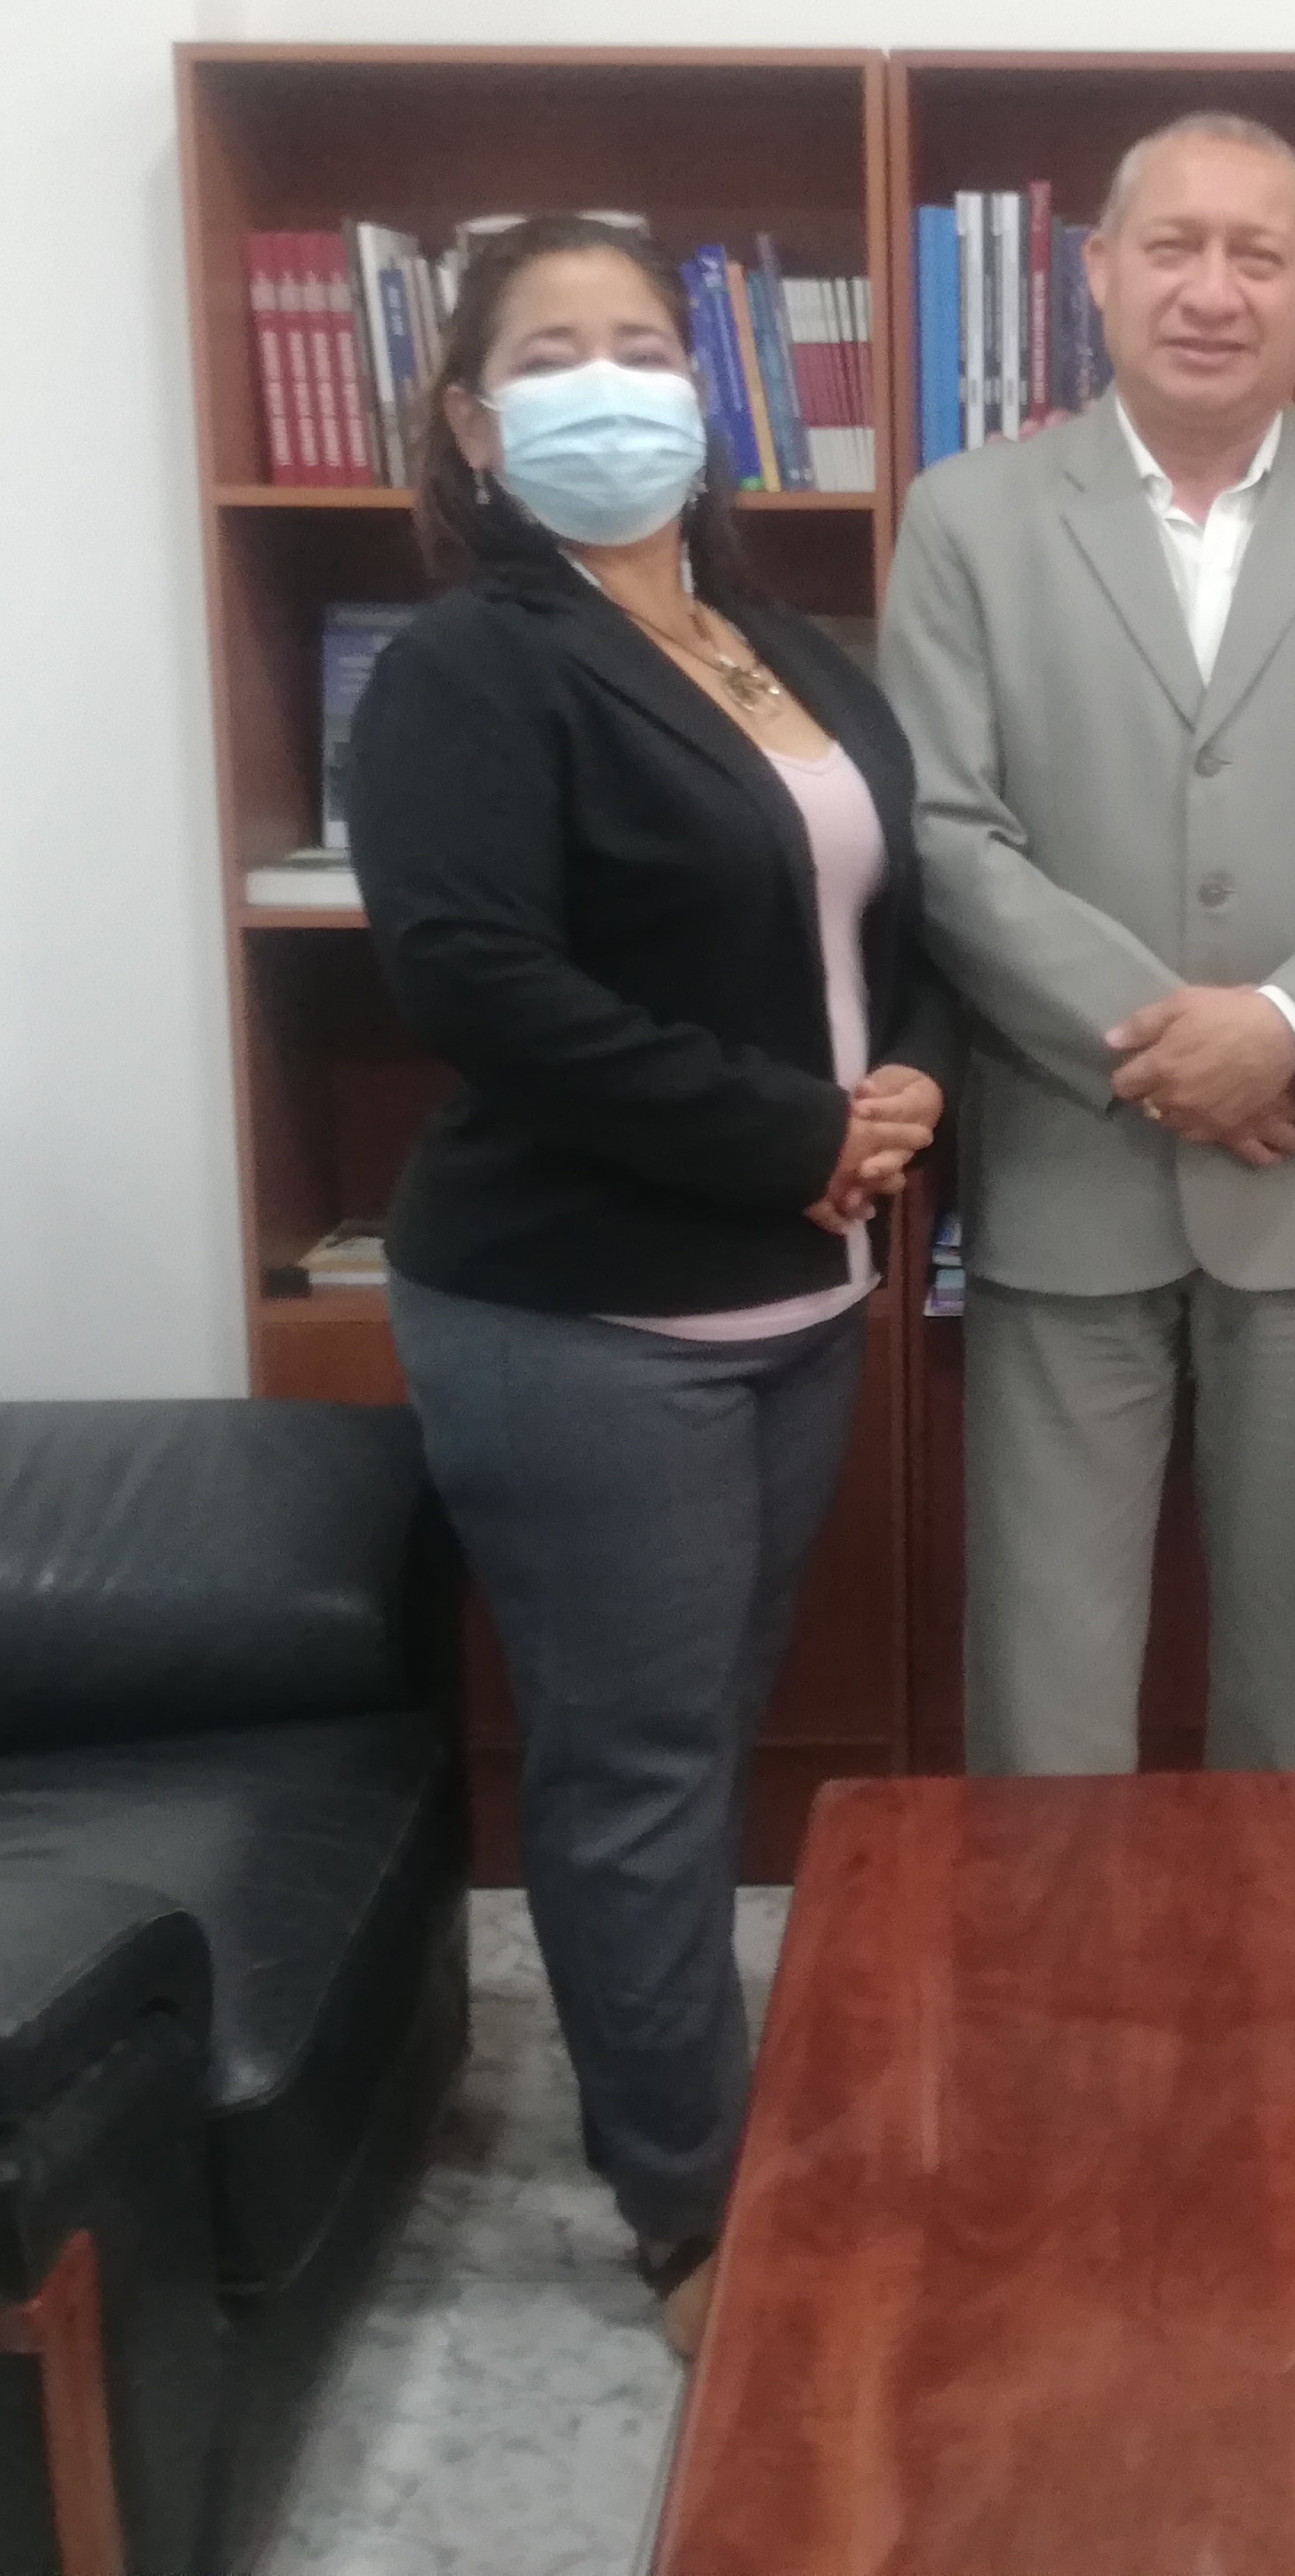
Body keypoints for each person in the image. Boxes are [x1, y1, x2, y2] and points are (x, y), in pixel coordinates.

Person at [345, 216, 950, 2356]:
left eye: (640, 343)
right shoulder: (468, 669)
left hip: (798, 1301)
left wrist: (911, 1083)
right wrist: (795, 1136)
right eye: (549, 354)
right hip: (584, 1316)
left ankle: (699, 2101)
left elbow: (896, 918)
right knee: (638, 1774)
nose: (607, 383)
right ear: (470, 420)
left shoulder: (783, 647)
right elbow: (479, 984)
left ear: (706, 393)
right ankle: (692, 2211)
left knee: (703, 1740)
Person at [882, 114, 1295, 1776]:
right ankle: (1055, 1960)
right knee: (1047, 1693)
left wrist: (1289, 1024)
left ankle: (1286, 1961)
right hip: (1069, 1164)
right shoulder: (967, 515)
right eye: (1173, 246)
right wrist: (1175, 1049)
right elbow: (945, 832)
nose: (1212, 290)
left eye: (1258, 254)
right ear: (1098, 273)